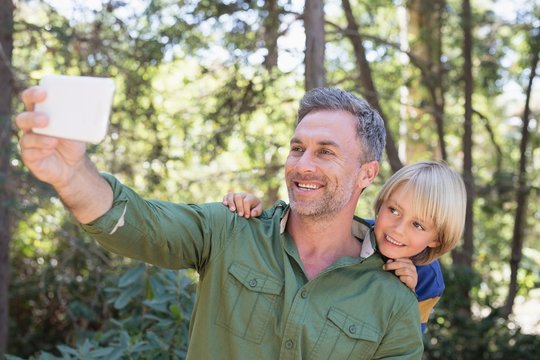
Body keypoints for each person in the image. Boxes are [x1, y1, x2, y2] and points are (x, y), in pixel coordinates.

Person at [16, 86, 424, 359]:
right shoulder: (230, 229)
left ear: (367, 174)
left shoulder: (392, 300)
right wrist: (70, 174)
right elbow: (136, 222)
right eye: (297, 148)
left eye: (325, 152)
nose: (302, 165)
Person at [222, 160, 466, 333]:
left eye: (418, 225)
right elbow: (296, 226)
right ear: (380, 205)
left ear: (436, 238)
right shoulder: (350, 234)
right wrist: (255, 211)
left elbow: (408, 345)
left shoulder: (428, 279)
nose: (398, 229)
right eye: (393, 210)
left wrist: (406, 297)